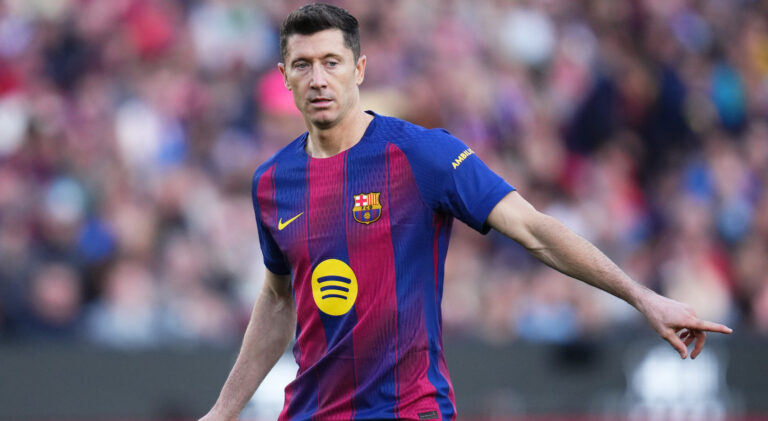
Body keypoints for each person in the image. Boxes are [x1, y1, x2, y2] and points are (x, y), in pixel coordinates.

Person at [200, 4, 732, 421]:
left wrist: (642, 297)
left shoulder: (422, 154)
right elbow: (276, 300)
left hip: (408, 409)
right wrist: (223, 412)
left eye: (331, 63)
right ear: (284, 77)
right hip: (310, 412)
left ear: (359, 69)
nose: (318, 78)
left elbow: (534, 229)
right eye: (303, 65)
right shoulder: (272, 183)